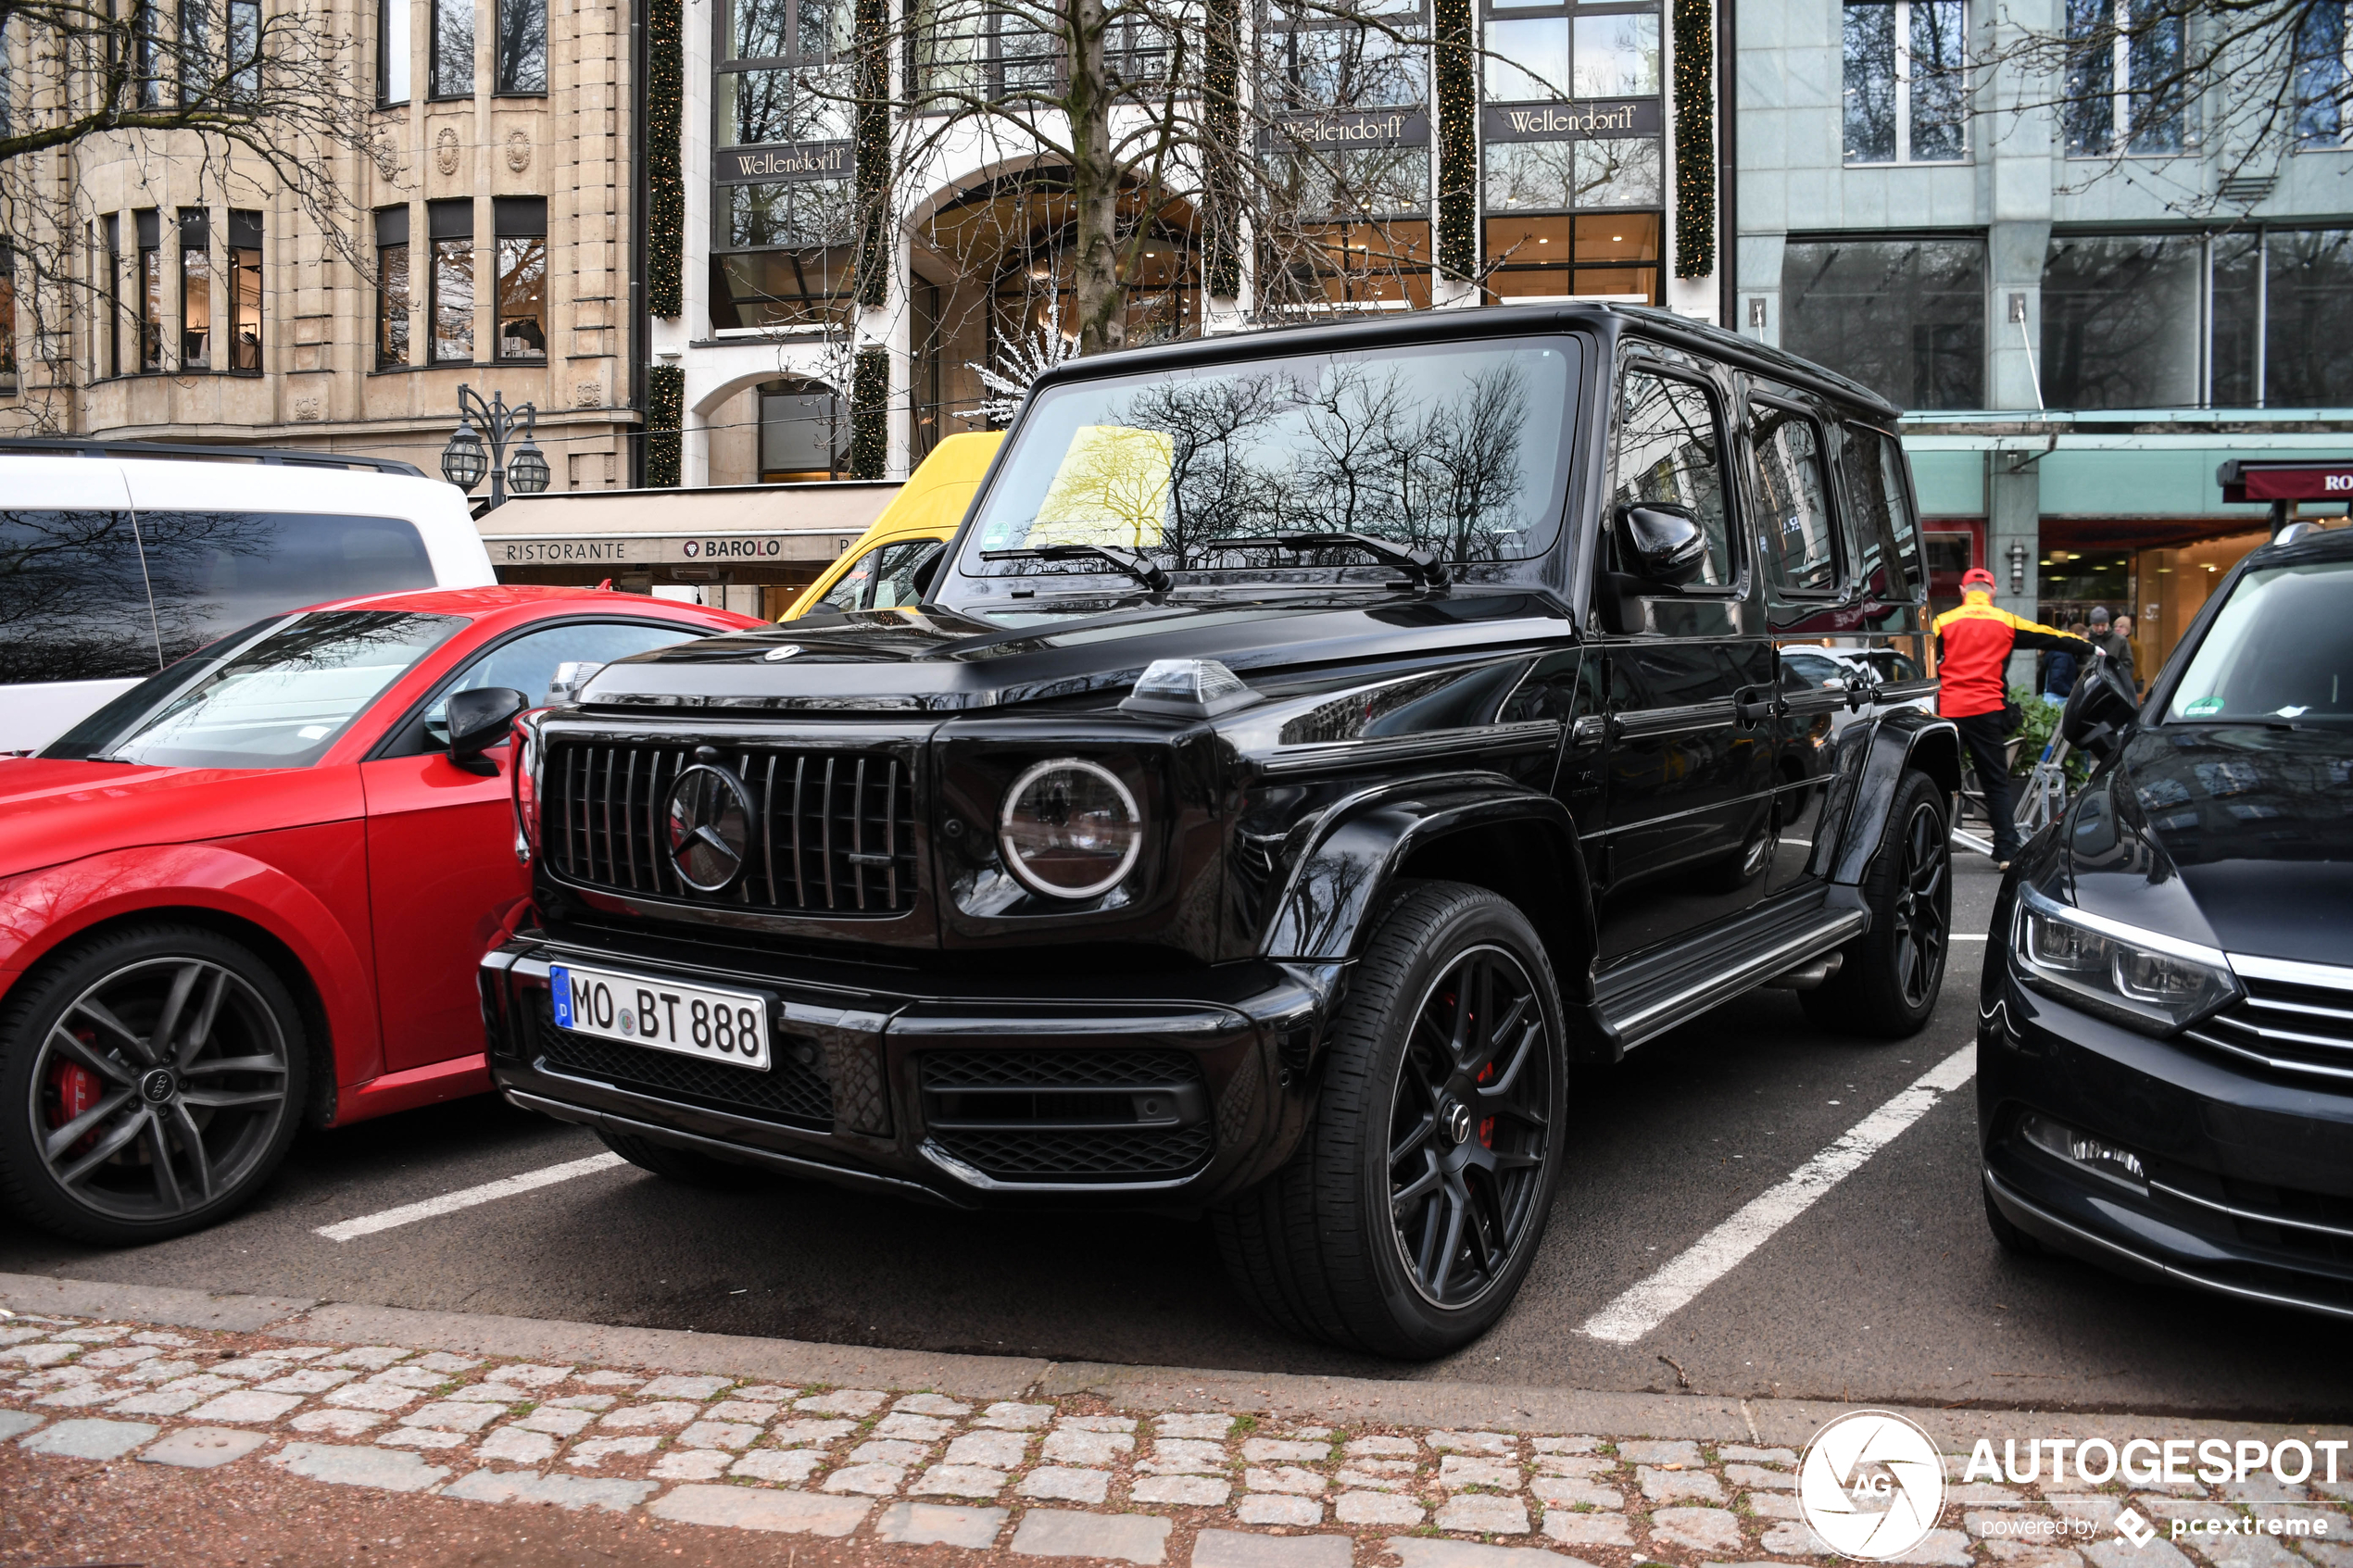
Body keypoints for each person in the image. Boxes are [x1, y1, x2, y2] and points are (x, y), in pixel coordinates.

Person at [1933, 568, 2094, 869]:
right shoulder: (2005, 621)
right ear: (1992, 592)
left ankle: (1931, 846)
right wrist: (2091, 647)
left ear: (1963, 590)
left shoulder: (1943, 622)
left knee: (1940, 782)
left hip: (1949, 712)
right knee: (1995, 782)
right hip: (1987, 709)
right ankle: (2006, 851)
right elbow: (2051, 637)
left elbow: (1921, 656)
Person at [2088, 607, 2136, 692]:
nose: (2100, 628)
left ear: (2108, 623)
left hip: (2114, 688)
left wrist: (2112, 675)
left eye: (2103, 625)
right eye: (2097, 625)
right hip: (2089, 686)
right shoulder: (2086, 641)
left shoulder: (2120, 641)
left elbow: (2128, 665)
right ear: (2092, 625)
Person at [2040, 616, 2083, 700]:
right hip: (2059, 697)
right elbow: (2056, 681)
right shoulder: (2063, 655)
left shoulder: (2063, 653)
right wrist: (2072, 693)